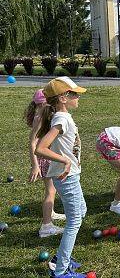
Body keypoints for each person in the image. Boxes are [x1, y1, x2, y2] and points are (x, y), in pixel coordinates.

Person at [35, 77, 87, 278]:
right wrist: (65, 161)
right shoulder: (61, 119)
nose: (78, 97)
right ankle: (61, 271)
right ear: (64, 98)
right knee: (74, 221)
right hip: (67, 176)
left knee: (81, 212)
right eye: (75, 94)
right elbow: (41, 148)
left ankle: (59, 258)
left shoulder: (62, 116)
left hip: (70, 175)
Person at [24, 89, 65, 238]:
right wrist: (34, 165)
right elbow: (32, 142)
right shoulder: (40, 118)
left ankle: (51, 213)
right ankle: (46, 226)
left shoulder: (43, 115)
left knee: (52, 189)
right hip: (44, 159)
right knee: (51, 190)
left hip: (47, 157)